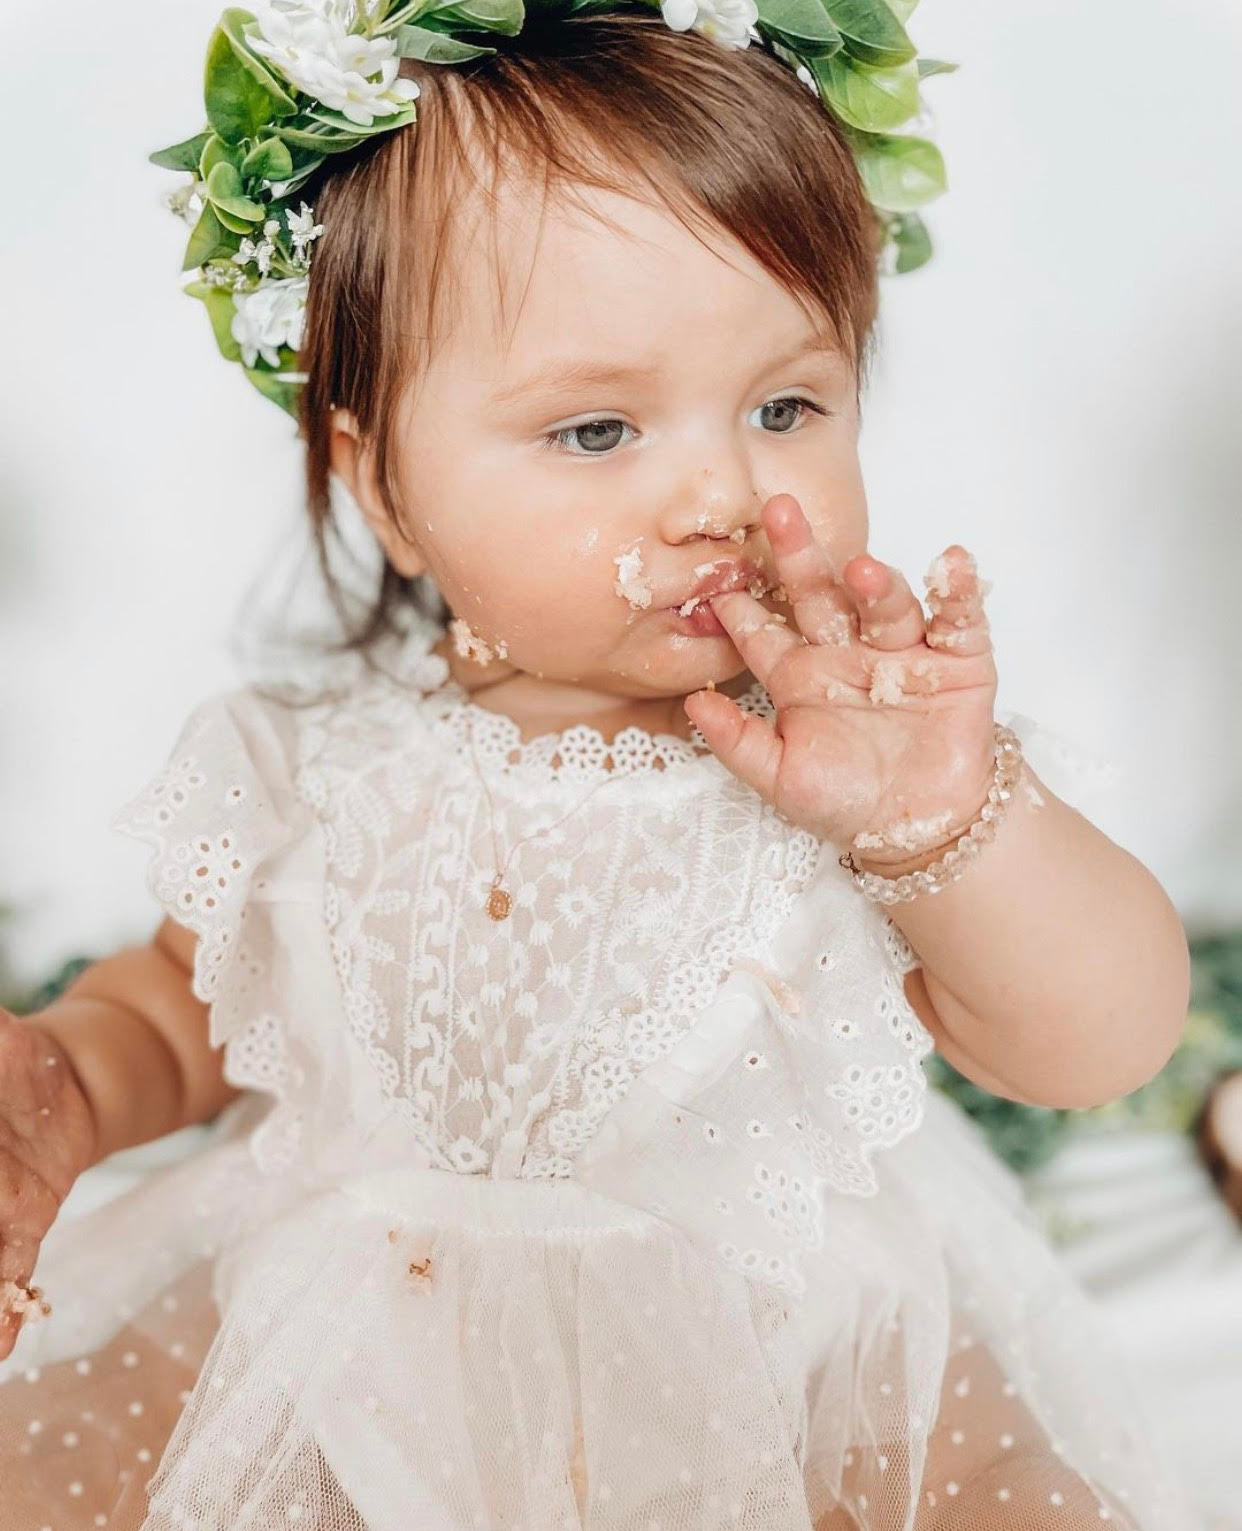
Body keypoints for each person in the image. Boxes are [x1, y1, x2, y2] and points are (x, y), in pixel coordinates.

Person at [0, 2, 1201, 1527]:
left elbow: (1095, 1041)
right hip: (355, 1372)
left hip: (777, 1383)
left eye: (784, 406)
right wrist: (71, 1083)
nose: (720, 486)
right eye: (592, 430)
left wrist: (945, 825)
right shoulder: (311, 766)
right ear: (384, 486)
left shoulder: (851, 768)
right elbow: (188, 1007)